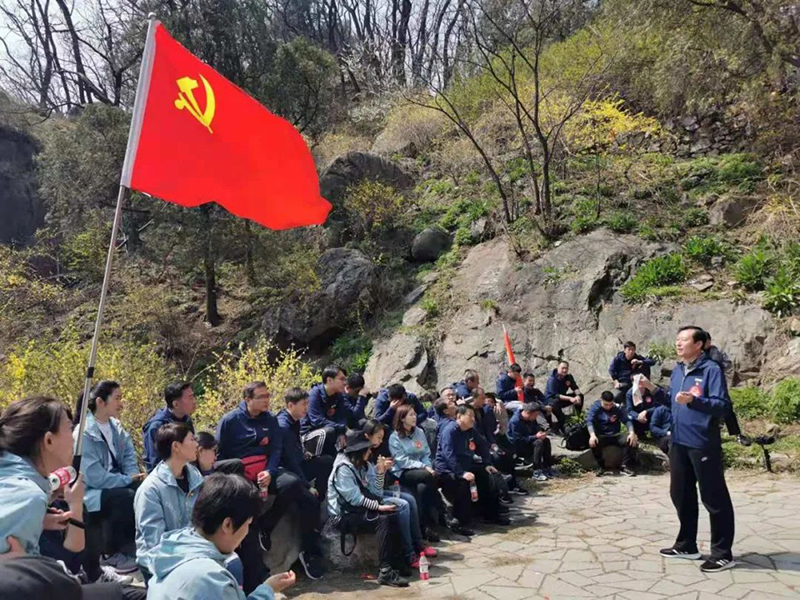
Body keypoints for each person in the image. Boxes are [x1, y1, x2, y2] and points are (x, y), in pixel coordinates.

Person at [0, 396, 145, 600]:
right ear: (49, 441)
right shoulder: (27, 497)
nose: (75, 438)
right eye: (69, 428)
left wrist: (41, 517)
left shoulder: (19, 481)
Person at [217, 382, 325, 586]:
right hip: (240, 474)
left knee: (294, 485)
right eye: (261, 396)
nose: (267, 400)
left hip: (266, 470)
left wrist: (270, 471)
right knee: (248, 506)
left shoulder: (270, 420)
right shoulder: (230, 421)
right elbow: (221, 455)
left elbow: (276, 450)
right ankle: (259, 573)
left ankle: (302, 547)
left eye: (268, 395)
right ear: (248, 399)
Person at [147, 473, 297, 600]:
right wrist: (268, 590)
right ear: (227, 524)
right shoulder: (211, 579)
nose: (246, 533)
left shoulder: (174, 548)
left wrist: (268, 588)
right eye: (247, 524)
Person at [660, 326, 736, 573]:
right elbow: (672, 401)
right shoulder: (678, 370)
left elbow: (722, 406)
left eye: (684, 339)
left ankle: (722, 554)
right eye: (677, 339)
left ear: (699, 344)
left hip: (702, 442)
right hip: (679, 442)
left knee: (714, 498)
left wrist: (695, 400)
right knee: (680, 494)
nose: (678, 343)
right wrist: (652, 390)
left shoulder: (711, 370)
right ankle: (686, 545)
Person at [74, 380, 144, 578]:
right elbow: (95, 477)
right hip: (91, 491)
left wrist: (132, 476)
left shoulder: (116, 427)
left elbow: (129, 455)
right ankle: (112, 554)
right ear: (100, 402)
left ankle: (139, 545)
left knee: (144, 490)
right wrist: (126, 479)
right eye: (117, 398)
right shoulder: (84, 433)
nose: (121, 403)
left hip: (117, 482)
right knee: (124, 497)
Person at [327, 430, 409, 587]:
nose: (370, 452)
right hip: (343, 515)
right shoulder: (343, 469)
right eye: (367, 449)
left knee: (394, 514)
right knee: (382, 520)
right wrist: (379, 507)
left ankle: (396, 562)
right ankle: (385, 571)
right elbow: (355, 499)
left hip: (359, 510)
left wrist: (380, 473)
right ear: (359, 451)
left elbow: (376, 493)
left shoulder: (364, 466)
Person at [134, 423, 203, 580]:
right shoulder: (151, 489)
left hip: (192, 554)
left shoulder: (195, 477)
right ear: (176, 446)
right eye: (192, 439)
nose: (196, 445)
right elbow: (155, 541)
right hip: (159, 563)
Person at [363, 419, 436, 566]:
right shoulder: (361, 454)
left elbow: (377, 486)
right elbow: (372, 490)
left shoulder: (377, 449)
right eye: (378, 437)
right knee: (403, 505)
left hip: (378, 490)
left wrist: (383, 470)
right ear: (367, 436)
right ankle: (409, 553)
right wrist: (379, 471)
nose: (380, 441)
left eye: (382, 438)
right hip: (369, 496)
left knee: (411, 499)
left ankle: (419, 544)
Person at [435, 404, 509, 533]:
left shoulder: (471, 430)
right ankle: (461, 522)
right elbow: (448, 455)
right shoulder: (450, 431)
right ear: (459, 416)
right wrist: (461, 473)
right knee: (462, 484)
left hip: (466, 465)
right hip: (448, 469)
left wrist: (487, 463)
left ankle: (491, 515)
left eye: (474, 416)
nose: (473, 419)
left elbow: (482, 446)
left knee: (487, 476)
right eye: (470, 416)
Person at [388, 404, 447, 542]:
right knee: (428, 476)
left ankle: (425, 527)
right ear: (402, 418)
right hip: (403, 471)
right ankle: (441, 508)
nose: (415, 417)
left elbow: (426, 453)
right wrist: (424, 467)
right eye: (411, 415)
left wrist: (427, 465)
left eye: (415, 414)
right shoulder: (394, 437)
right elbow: (402, 461)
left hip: (423, 471)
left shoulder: (419, 432)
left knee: (422, 489)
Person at [276, 387, 334, 513]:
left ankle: (320, 497)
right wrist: (307, 486)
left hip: (298, 463)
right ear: (290, 405)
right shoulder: (283, 426)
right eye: (303, 404)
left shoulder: (295, 420)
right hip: (286, 471)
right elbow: (289, 460)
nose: (306, 408)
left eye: (307, 403)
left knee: (327, 461)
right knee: (311, 501)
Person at [703, 332, 749, 446]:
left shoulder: (713, 351)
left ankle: (737, 435)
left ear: (709, 342)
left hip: (716, 386)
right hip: (701, 386)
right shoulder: (696, 353)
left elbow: (716, 364)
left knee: (727, 409)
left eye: (705, 341)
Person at [300, 365, 353, 457]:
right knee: (329, 431)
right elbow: (316, 421)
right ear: (329, 380)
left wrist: (341, 432)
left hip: (330, 430)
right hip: (310, 434)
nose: (345, 383)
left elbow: (342, 416)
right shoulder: (314, 394)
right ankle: (316, 458)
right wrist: (341, 428)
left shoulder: (338, 395)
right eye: (341, 379)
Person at [143, 382, 196, 473]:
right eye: (190, 398)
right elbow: (155, 462)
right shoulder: (157, 426)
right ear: (176, 404)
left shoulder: (186, 419)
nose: (194, 401)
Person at [586, 391, 638, 477]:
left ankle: (625, 466)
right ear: (601, 400)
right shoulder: (595, 407)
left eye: (610, 404)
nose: (608, 407)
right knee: (594, 442)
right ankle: (601, 467)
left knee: (630, 440)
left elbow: (626, 420)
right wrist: (592, 435)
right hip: (602, 435)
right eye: (606, 405)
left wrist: (632, 432)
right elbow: (589, 421)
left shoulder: (617, 407)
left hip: (615, 434)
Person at [507, 403, 553, 480]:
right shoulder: (515, 421)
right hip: (519, 447)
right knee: (539, 443)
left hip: (529, 441)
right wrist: (535, 436)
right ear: (528, 413)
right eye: (535, 415)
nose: (536, 417)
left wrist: (540, 433)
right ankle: (536, 471)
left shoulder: (531, 419)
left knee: (546, 440)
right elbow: (518, 439)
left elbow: (536, 429)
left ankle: (547, 467)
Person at [544, 361, 584, 434]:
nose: (564, 370)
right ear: (558, 368)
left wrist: (578, 395)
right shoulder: (552, 379)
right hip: (551, 401)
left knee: (580, 396)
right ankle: (563, 427)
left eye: (566, 368)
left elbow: (575, 387)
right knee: (555, 403)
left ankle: (577, 417)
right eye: (562, 368)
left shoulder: (568, 377)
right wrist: (570, 399)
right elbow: (555, 395)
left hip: (562, 398)